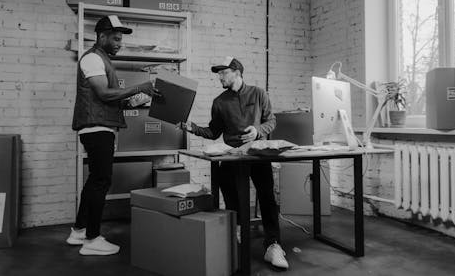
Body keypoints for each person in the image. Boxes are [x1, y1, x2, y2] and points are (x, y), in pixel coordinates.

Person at [180, 56, 289, 269]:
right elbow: (213, 132)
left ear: (237, 72)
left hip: (257, 155)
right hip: (232, 156)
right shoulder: (219, 102)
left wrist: (258, 131)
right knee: (231, 196)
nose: (220, 76)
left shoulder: (258, 93)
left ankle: (273, 245)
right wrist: (191, 127)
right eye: (218, 73)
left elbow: (271, 120)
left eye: (223, 72)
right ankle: (238, 228)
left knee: (267, 198)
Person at [68, 15, 160, 256]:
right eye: (116, 38)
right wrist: (140, 86)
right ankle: (92, 239)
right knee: (101, 181)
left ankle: (79, 230)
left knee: (95, 180)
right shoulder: (92, 59)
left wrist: (140, 99)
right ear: (101, 36)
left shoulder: (102, 60)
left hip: (101, 127)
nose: (120, 43)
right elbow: (104, 94)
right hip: (97, 129)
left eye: (121, 39)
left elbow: (113, 99)